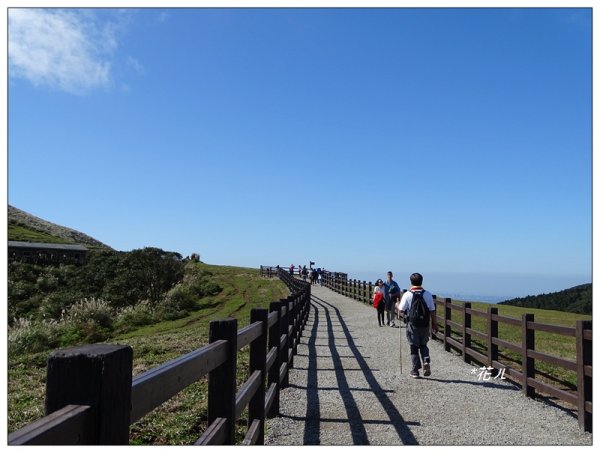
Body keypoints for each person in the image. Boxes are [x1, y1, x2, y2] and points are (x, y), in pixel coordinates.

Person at [397, 273, 438, 378]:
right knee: (423, 344)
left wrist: (397, 305)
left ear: (411, 282)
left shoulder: (408, 294)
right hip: (424, 324)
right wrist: (434, 324)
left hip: (412, 324)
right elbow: (432, 311)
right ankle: (425, 359)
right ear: (421, 281)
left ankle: (415, 371)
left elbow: (401, 310)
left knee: (414, 346)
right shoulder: (427, 294)